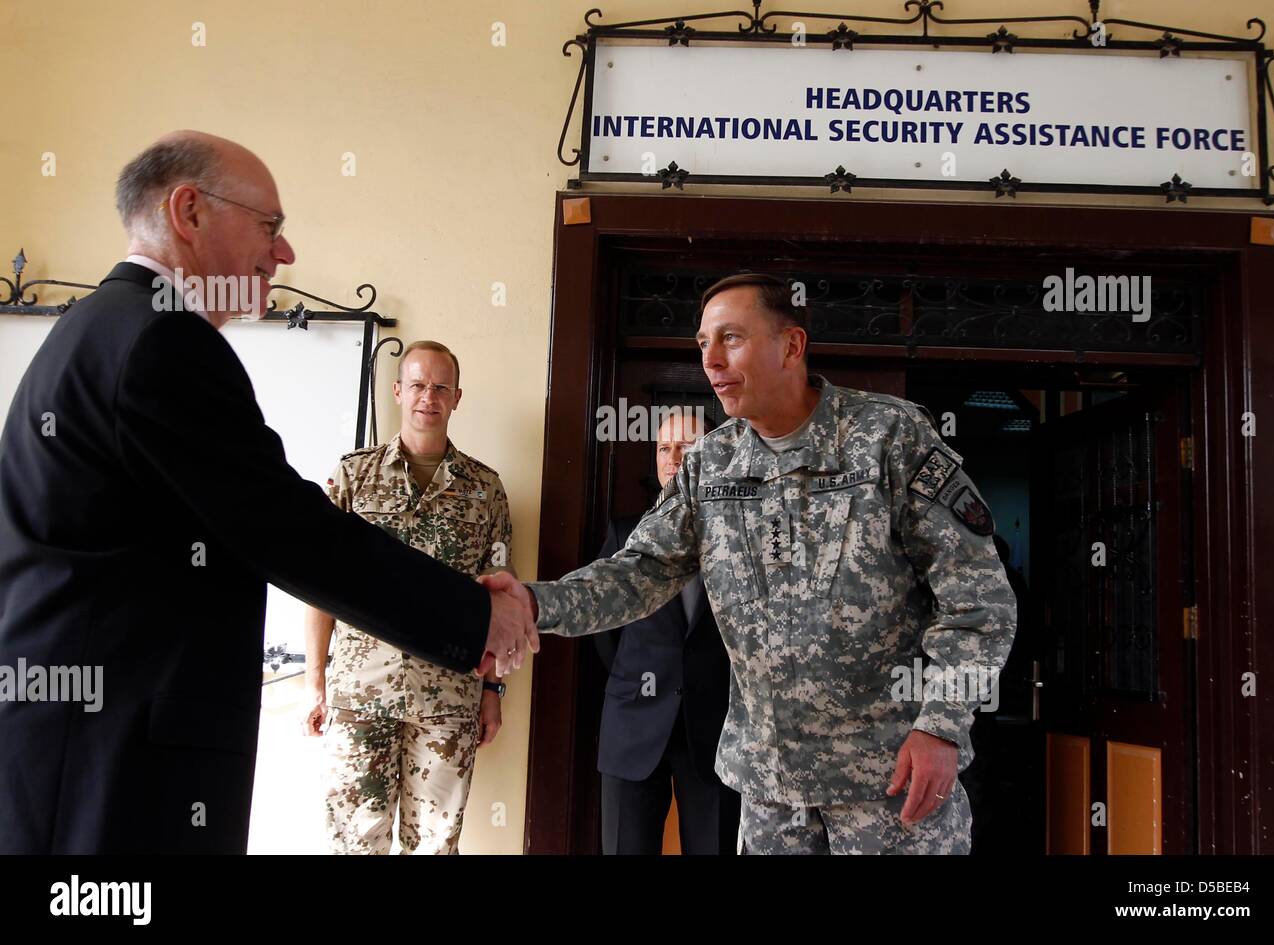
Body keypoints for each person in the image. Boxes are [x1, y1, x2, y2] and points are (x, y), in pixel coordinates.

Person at [0, 132, 536, 854]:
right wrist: (477, 617)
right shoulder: (161, 341)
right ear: (188, 211)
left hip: (86, 748)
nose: (284, 255)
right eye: (270, 227)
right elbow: (292, 531)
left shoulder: (103, 326)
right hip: (112, 769)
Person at [485, 273, 1015, 854]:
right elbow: (638, 572)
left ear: (792, 345)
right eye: (703, 343)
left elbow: (978, 602)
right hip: (768, 792)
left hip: (889, 783)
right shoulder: (710, 463)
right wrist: (534, 603)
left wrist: (940, 727)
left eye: (731, 338)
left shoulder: (888, 436)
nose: (711, 360)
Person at [302, 341, 512, 854]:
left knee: (436, 845)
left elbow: (499, 605)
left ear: (457, 397)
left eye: (441, 387)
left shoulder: (485, 489)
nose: (428, 397)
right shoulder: (354, 476)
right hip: (359, 694)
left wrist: (492, 693)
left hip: (448, 697)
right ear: (398, 390)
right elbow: (318, 585)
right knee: (355, 842)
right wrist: (315, 682)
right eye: (418, 384)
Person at [594, 409, 740, 855]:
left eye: (686, 446)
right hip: (633, 725)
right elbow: (604, 633)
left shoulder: (738, 538)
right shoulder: (624, 535)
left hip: (713, 730)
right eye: (664, 448)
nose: (673, 457)